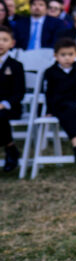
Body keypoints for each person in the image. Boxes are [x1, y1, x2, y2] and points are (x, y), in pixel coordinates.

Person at [42, 38, 76, 162]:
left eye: (70, 54)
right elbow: (48, 93)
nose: (67, 58)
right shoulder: (51, 72)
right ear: (56, 56)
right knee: (66, 110)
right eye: (63, 55)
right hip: (59, 104)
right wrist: (49, 110)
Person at [0, 26, 26, 172]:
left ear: (12, 43)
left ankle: (10, 149)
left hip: (11, 107)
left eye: (5, 40)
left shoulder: (16, 66)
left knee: (0, 116)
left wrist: (4, 104)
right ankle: (10, 146)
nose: (1, 43)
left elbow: (19, 92)